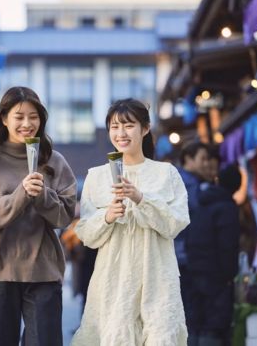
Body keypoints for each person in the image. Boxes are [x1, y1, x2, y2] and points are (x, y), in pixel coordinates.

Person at [0, 86, 77, 345]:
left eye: (33, 116)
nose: (27, 123)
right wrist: (21, 194)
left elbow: (64, 217)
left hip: (43, 271)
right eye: (19, 116)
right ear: (4, 118)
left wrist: (41, 196)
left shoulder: (54, 161)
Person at [72, 99, 190, 345]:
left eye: (128, 126)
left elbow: (176, 223)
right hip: (114, 279)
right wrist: (107, 216)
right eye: (114, 127)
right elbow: (85, 234)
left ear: (145, 128)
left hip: (158, 277)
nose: (120, 133)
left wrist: (140, 198)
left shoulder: (166, 173)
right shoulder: (96, 176)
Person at [186, 165, 241, 346]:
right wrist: (229, 274)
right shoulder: (226, 207)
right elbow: (228, 245)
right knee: (214, 323)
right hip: (215, 274)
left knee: (196, 321)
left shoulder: (202, 202)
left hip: (194, 269)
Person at [174, 141, 210, 337]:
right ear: (188, 159)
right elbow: (192, 221)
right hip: (185, 257)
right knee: (189, 316)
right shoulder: (187, 184)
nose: (206, 164)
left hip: (181, 256)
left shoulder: (186, 181)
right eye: (202, 159)